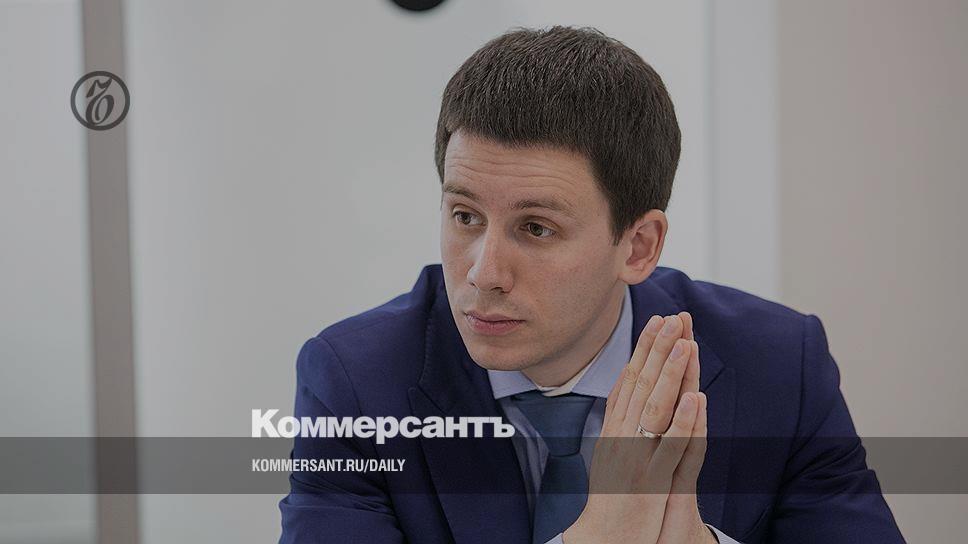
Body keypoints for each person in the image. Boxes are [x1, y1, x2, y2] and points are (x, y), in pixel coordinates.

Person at [278, 26, 904, 543]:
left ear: (638, 246)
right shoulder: (356, 381)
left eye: (536, 228)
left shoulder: (778, 363)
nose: (483, 273)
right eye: (465, 216)